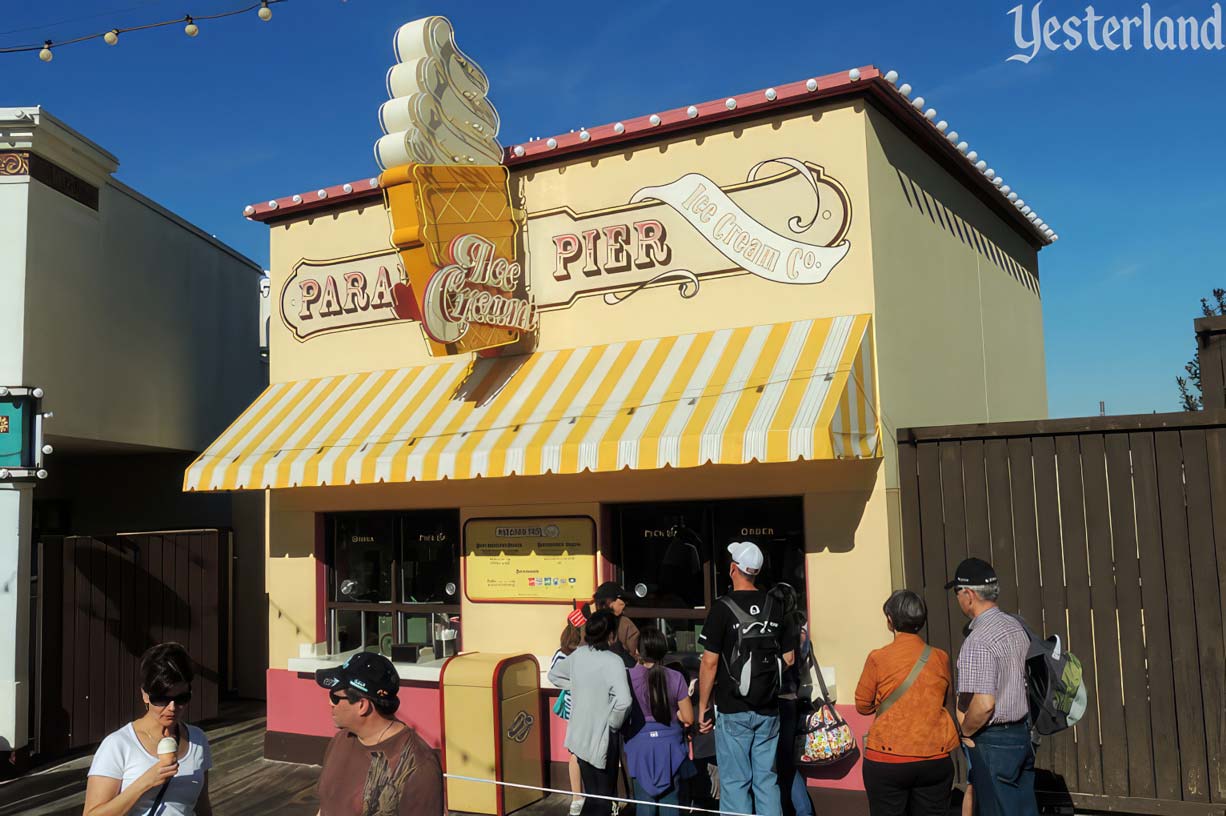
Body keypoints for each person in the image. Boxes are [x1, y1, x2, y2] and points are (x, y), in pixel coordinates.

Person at [697, 541, 792, 816]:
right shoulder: (775, 606)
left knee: (736, 783)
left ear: (732, 569)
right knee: (766, 781)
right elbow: (788, 659)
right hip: (768, 710)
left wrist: (704, 705)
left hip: (732, 707)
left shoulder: (722, 608)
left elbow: (710, 662)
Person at [855, 590, 959, 816]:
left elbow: (862, 706)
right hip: (935, 757)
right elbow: (947, 700)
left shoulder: (878, 658)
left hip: (887, 757)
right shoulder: (940, 657)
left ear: (890, 621)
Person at [947, 558, 1037, 816]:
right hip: (1022, 735)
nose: (958, 599)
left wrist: (965, 732)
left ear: (969, 595)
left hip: (994, 741)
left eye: (957, 593)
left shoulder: (978, 640)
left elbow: (985, 705)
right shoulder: (1015, 626)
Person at [84, 642, 213, 816]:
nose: (172, 708)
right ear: (145, 694)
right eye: (161, 699)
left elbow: (202, 806)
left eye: (182, 698)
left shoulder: (198, 740)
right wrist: (145, 782)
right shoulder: (118, 745)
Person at [314, 652, 444, 816]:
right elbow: (326, 807)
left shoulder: (418, 766)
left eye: (335, 697)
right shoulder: (341, 739)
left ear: (362, 705)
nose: (330, 703)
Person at [549, 609, 633, 816]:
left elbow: (553, 675)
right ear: (611, 635)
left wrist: (578, 686)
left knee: (593, 793)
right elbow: (624, 702)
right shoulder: (613, 661)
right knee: (604, 797)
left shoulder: (578, 655)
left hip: (580, 735)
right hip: (603, 736)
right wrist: (612, 723)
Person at [623, 627, 694, 815]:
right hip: (671, 749)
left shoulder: (627, 677)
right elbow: (688, 718)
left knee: (644, 806)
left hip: (639, 747)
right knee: (671, 805)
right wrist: (677, 715)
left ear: (638, 651)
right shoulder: (676, 677)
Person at [768, 582, 814, 816]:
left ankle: (798, 810)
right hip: (792, 698)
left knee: (774, 764)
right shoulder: (801, 629)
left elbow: (783, 661)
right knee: (786, 761)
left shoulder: (776, 629)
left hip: (775, 699)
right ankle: (803, 810)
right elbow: (802, 661)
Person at [552, 622, 587, 816]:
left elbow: (554, 676)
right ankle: (586, 796)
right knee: (585, 751)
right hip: (586, 707)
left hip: (570, 707)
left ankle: (576, 798)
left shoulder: (560, 654)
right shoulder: (585, 654)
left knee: (574, 752)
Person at [592, 582, 641, 664]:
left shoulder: (586, 622)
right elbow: (635, 654)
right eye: (622, 599)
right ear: (609, 601)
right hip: (619, 670)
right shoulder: (625, 623)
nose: (624, 604)